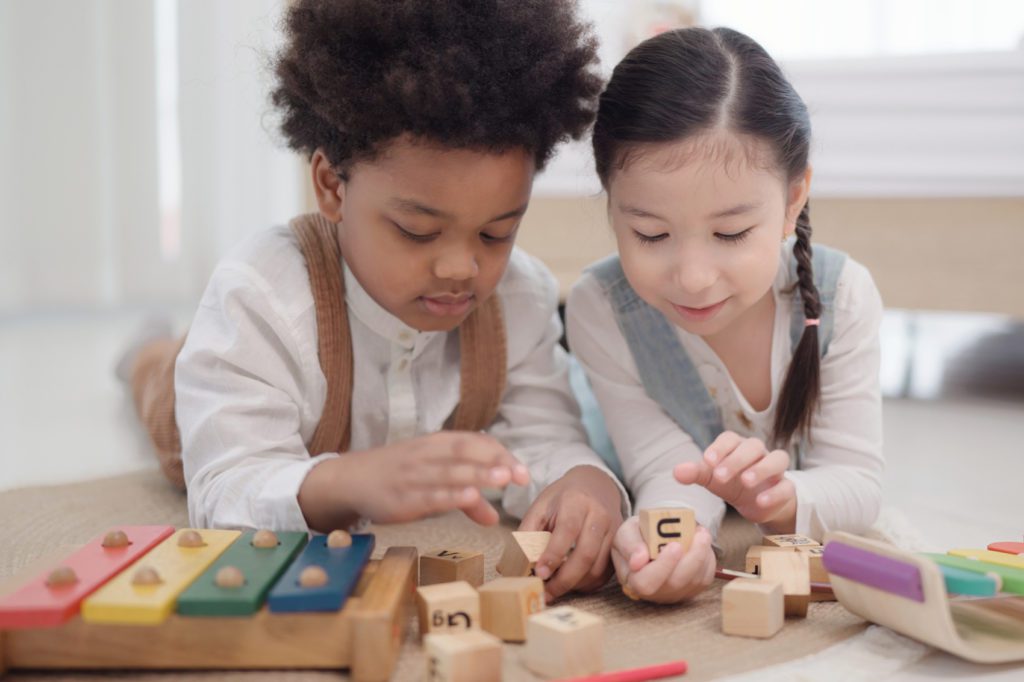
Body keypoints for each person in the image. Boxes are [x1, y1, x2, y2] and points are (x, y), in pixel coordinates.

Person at [127, 0, 628, 602]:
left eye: (497, 233)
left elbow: (545, 432)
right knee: (160, 382)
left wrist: (586, 480)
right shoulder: (259, 295)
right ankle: (142, 351)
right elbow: (224, 492)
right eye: (417, 232)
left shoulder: (519, 295)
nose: (459, 267)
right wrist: (347, 483)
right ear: (331, 187)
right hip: (218, 391)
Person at [566, 26, 885, 604]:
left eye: (731, 233)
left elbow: (858, 485)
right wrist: (677, 540)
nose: (693, 276)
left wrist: (777, 500)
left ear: (793, 201)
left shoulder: (845, 297)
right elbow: (663, 465)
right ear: (610, 202)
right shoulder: (602, 307)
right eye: (650, 233)